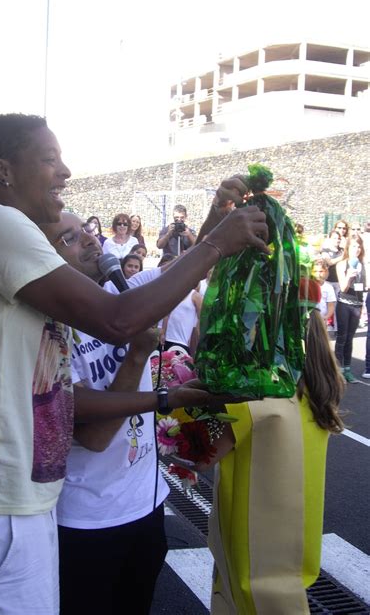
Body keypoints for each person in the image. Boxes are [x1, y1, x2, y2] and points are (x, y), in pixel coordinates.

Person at [0, 113, 269, 615]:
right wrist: (214, 243)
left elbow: (153, 289)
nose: (66, 171)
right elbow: (120, 320)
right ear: (3, 170)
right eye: (50, 159)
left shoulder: (19, 246)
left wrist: (214, 225)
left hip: (15, 504)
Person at [41, 212, 237, 615]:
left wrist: (220, 211)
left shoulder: (126, 291)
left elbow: (189, 263)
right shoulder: (52, 330)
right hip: (87, 523)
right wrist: (136, 356)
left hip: (146, 509)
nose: (91, 242)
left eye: (87, 232)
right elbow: (94, 439)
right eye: (70, 239)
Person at [203, 286, 345, 614]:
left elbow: (204, 456)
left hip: (250, 537)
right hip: (297, 536)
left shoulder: (253, 394)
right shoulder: (321, 385)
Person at [335, 236, 366, 383]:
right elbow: (343, 288)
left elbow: (364, 287)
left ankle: (347, 370)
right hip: (343, 304)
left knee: (350, 339)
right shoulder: (342, 264)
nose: (357, 249)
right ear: (348, 248)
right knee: (342, 337)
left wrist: (362, 306)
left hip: (357, 305)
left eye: (359, 246)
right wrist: (349, 275)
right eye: (354, 246)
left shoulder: (363, 265)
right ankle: (336, 370)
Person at [312, 258, 336, 324]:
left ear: (326, 272)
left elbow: (331, 305)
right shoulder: (309, 285)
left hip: (322, 319)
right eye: (315, 271)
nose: (318, 274)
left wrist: (326, 317)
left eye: (321, 271)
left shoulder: (328, 287)